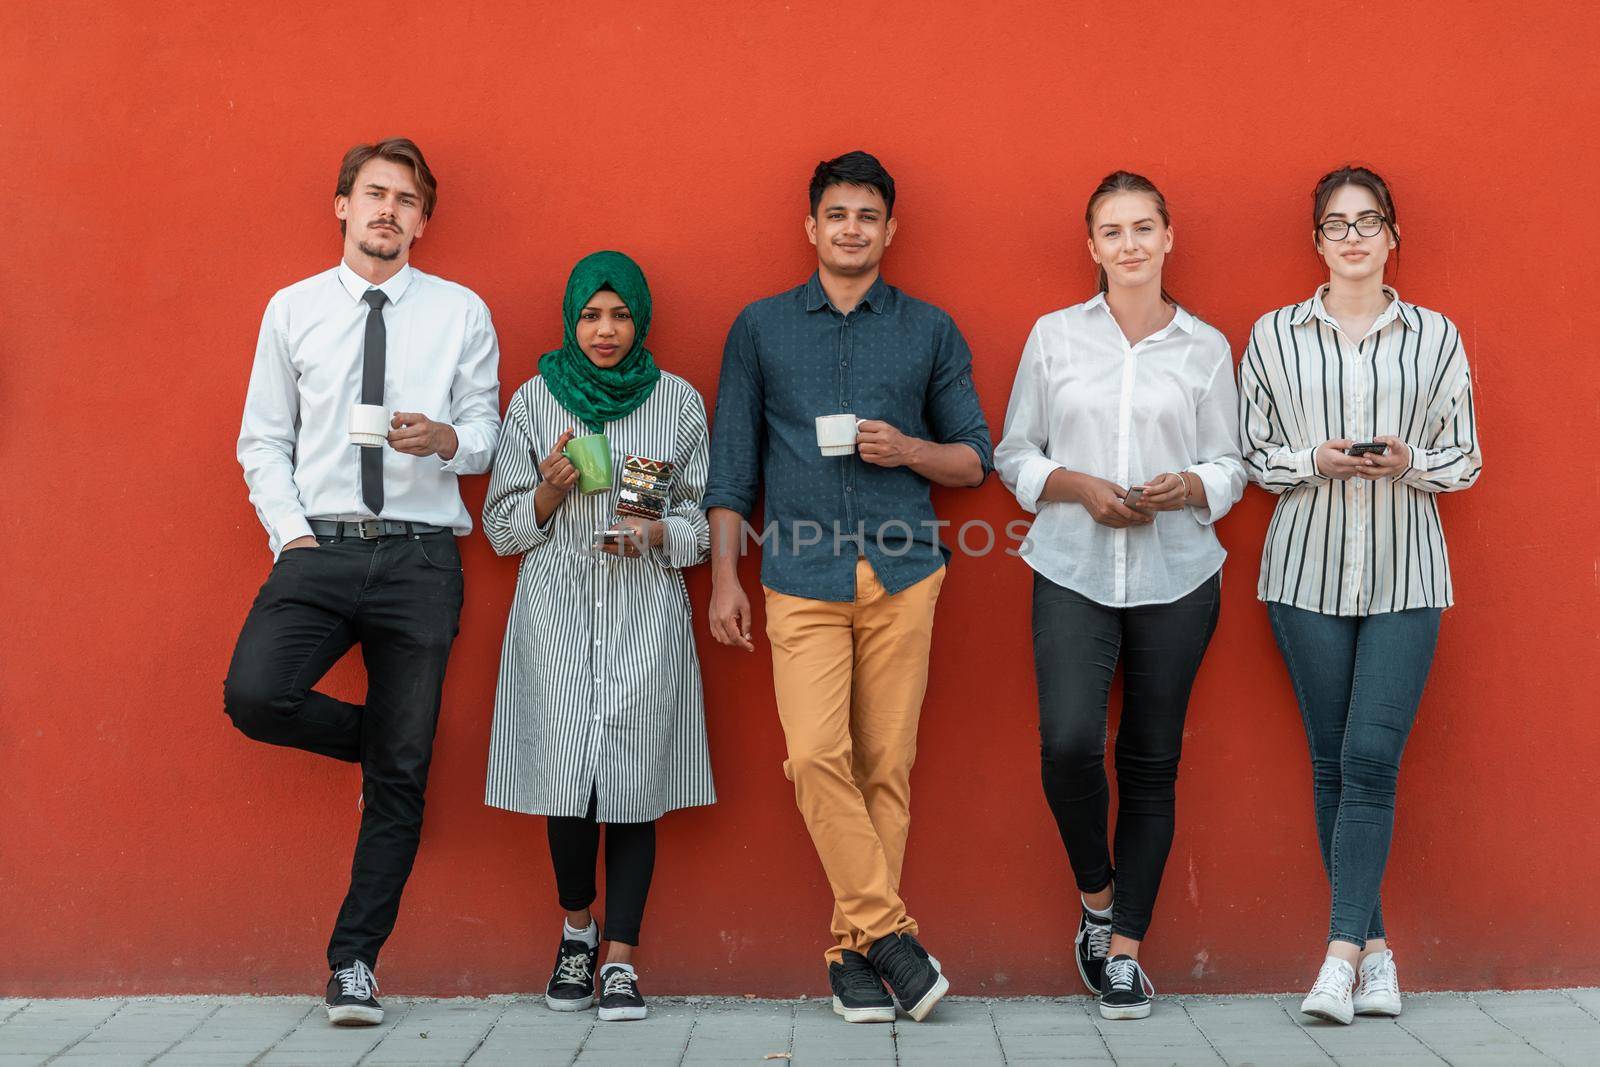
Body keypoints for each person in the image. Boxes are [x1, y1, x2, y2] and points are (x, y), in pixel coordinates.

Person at [703, 150, 992, 1024]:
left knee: (887, 766)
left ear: (889, 229)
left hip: (906, 571)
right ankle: (892, 932)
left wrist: (906, 449)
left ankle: (853, 955)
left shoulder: (930, 329)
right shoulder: (759, 328)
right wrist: (725, 578)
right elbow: (730, 469)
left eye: (868, 215)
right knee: (816, 755)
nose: (852, 228)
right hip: (797, 574)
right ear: (812, 227)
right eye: (837, 214)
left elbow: (975, 458)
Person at [224, 138, 501, 1025]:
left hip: (421, 555)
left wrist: (446, 442)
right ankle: (382, 747)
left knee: (403, 774)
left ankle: (354, 962)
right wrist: (293, 536)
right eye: (375, 194)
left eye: (408, 200)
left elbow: (489, 432)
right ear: (342, 205)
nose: (390, 210)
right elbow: (262, 438)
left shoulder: (460, 312)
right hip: (322, 548)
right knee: (256, 695)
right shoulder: (293, 309)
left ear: (424, 219)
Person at [995, 171, 1245, 1021]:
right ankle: (1096, 901)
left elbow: (1232, 464)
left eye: (1145, 227)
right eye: (1113, 230)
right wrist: (1073, 484)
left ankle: (1128, 950)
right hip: (1072, 564)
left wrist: (1189, 488)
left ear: (1169, 238)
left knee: (1150, 756)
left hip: (1179, 574)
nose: (1130, 244)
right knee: (1068, 742)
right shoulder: (1054, 337)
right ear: (1091, 246)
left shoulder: (1207, 347)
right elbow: (1014, 451)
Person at [1238, 165, 1481, 1024]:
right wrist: (1316, 460)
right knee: (1333, 759)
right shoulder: (1273, 335)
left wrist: (1409, 460)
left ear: (1392, 236)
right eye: (1336, 223)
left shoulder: (1436, 335)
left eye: (1368, 221)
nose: (1352, 237)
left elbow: (1467, 458)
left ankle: (1337, 958)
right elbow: (1254, 454)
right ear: (1317, 240)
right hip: (1303, 572)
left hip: (1407, 571)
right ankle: (1375, 952)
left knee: (1373, 758)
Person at [482, 250, 714, 1023]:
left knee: (635, 780)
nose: (605, 330)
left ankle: (621, 958)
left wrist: (654, 536)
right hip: (555, 609)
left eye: (619, 314)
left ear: (640, 318)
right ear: (571, 318)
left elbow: (701, 523)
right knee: (566, 774)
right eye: (591, 314)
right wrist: (548, 489)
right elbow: (502, 530)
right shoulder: (533, 400)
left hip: (644, 609)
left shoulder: (676, 401)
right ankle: (575, 932)